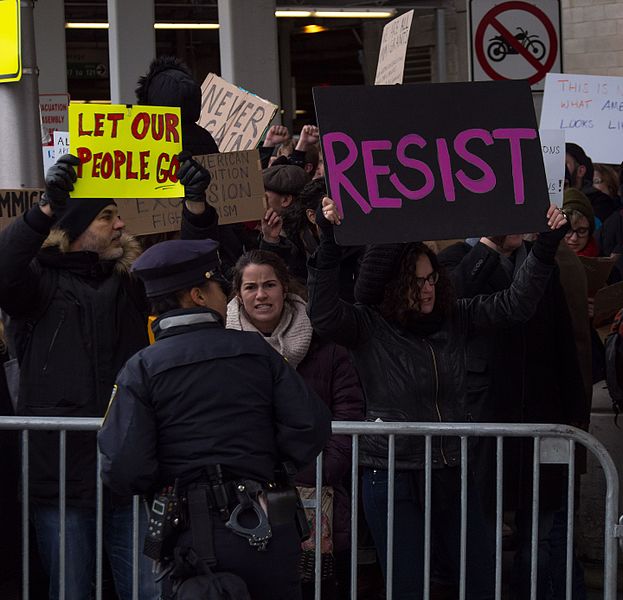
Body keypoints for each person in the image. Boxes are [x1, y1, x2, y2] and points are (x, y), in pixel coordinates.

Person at [307, 197, 569, 600]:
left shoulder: (455, 317)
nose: (427, 289)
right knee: (408, 584)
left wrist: (546, 247)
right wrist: (328, 242)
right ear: (395, 286)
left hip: (450, 467)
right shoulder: (368, 327)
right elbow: (323, 313)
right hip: (391, 472)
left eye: (431, 279)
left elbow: (515, 305)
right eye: (416, 282)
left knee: (478, 579)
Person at [0, 150, 213, 600]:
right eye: (107, 216)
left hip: (128, 469)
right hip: (59, 475)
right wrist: (44, 211)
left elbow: (185, 274)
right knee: (70, 589)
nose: (120, 225)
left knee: (145, 590)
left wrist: (195, 207)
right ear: (76, 230)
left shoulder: (131, 282)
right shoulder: (34, 284)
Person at [98, 239, 332, 600]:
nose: (227, 295)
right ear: (198, 295)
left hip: (189, 537)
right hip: (267, 525)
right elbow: (310, 426)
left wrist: (169, 480)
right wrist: (265, 465)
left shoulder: (142, 368)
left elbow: (123, 465)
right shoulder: (256, 352)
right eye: (218, 287)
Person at [438, 224, 588, 600]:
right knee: (482, 536)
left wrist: (573, 414)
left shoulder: (541, 265)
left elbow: (562, 340)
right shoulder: (457, 259)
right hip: (483, 419)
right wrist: (490, 247)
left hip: (540, 415)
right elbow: (449, 299)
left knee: (538, 537)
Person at [227, 249, 364, 599]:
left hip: (320, 488)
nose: (261, 295)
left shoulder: (326, 346)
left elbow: (349, 412)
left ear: (284, 288)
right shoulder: (224, 349)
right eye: (251, 287)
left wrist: (318, 470)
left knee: (317, 586)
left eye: (269, 285)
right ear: (238, 295)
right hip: (249, 494)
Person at [566, 142, 618, 224]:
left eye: (564, 164)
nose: (558, 169)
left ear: (580, 171)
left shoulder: (601, 202)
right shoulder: (546, 198)